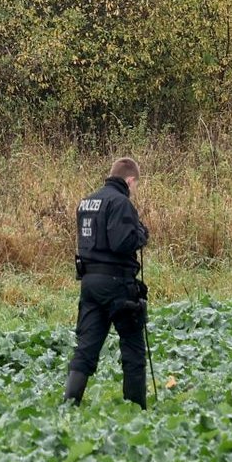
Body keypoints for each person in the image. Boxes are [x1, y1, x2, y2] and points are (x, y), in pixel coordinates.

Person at [64, 157, 150, 407]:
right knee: (133, 346)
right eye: (136, 185)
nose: (135, 190)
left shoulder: (87, 202)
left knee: (86, 348)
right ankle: (135, 408)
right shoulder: (120, 203)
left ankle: (69, 405)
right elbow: (122, 242)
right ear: (130, 180)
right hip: (117, 285)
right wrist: (141, 235)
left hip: (90, 284)